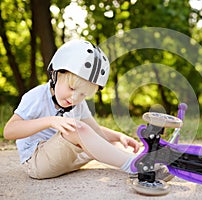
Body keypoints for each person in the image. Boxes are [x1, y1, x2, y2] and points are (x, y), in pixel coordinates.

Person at [3, 39, 144, 179]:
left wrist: (118, 137)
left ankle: (143, 160)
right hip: (37, 162)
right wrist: (50, 121)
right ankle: (134, 165)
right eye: (72, 88)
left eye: (83, 94)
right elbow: (9, 131)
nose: (74, 98)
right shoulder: (36, 97)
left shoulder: (77, 103)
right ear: (56, 74)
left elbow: (94, 131)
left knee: (102, 141)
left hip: (69, 160)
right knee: (76, 129)